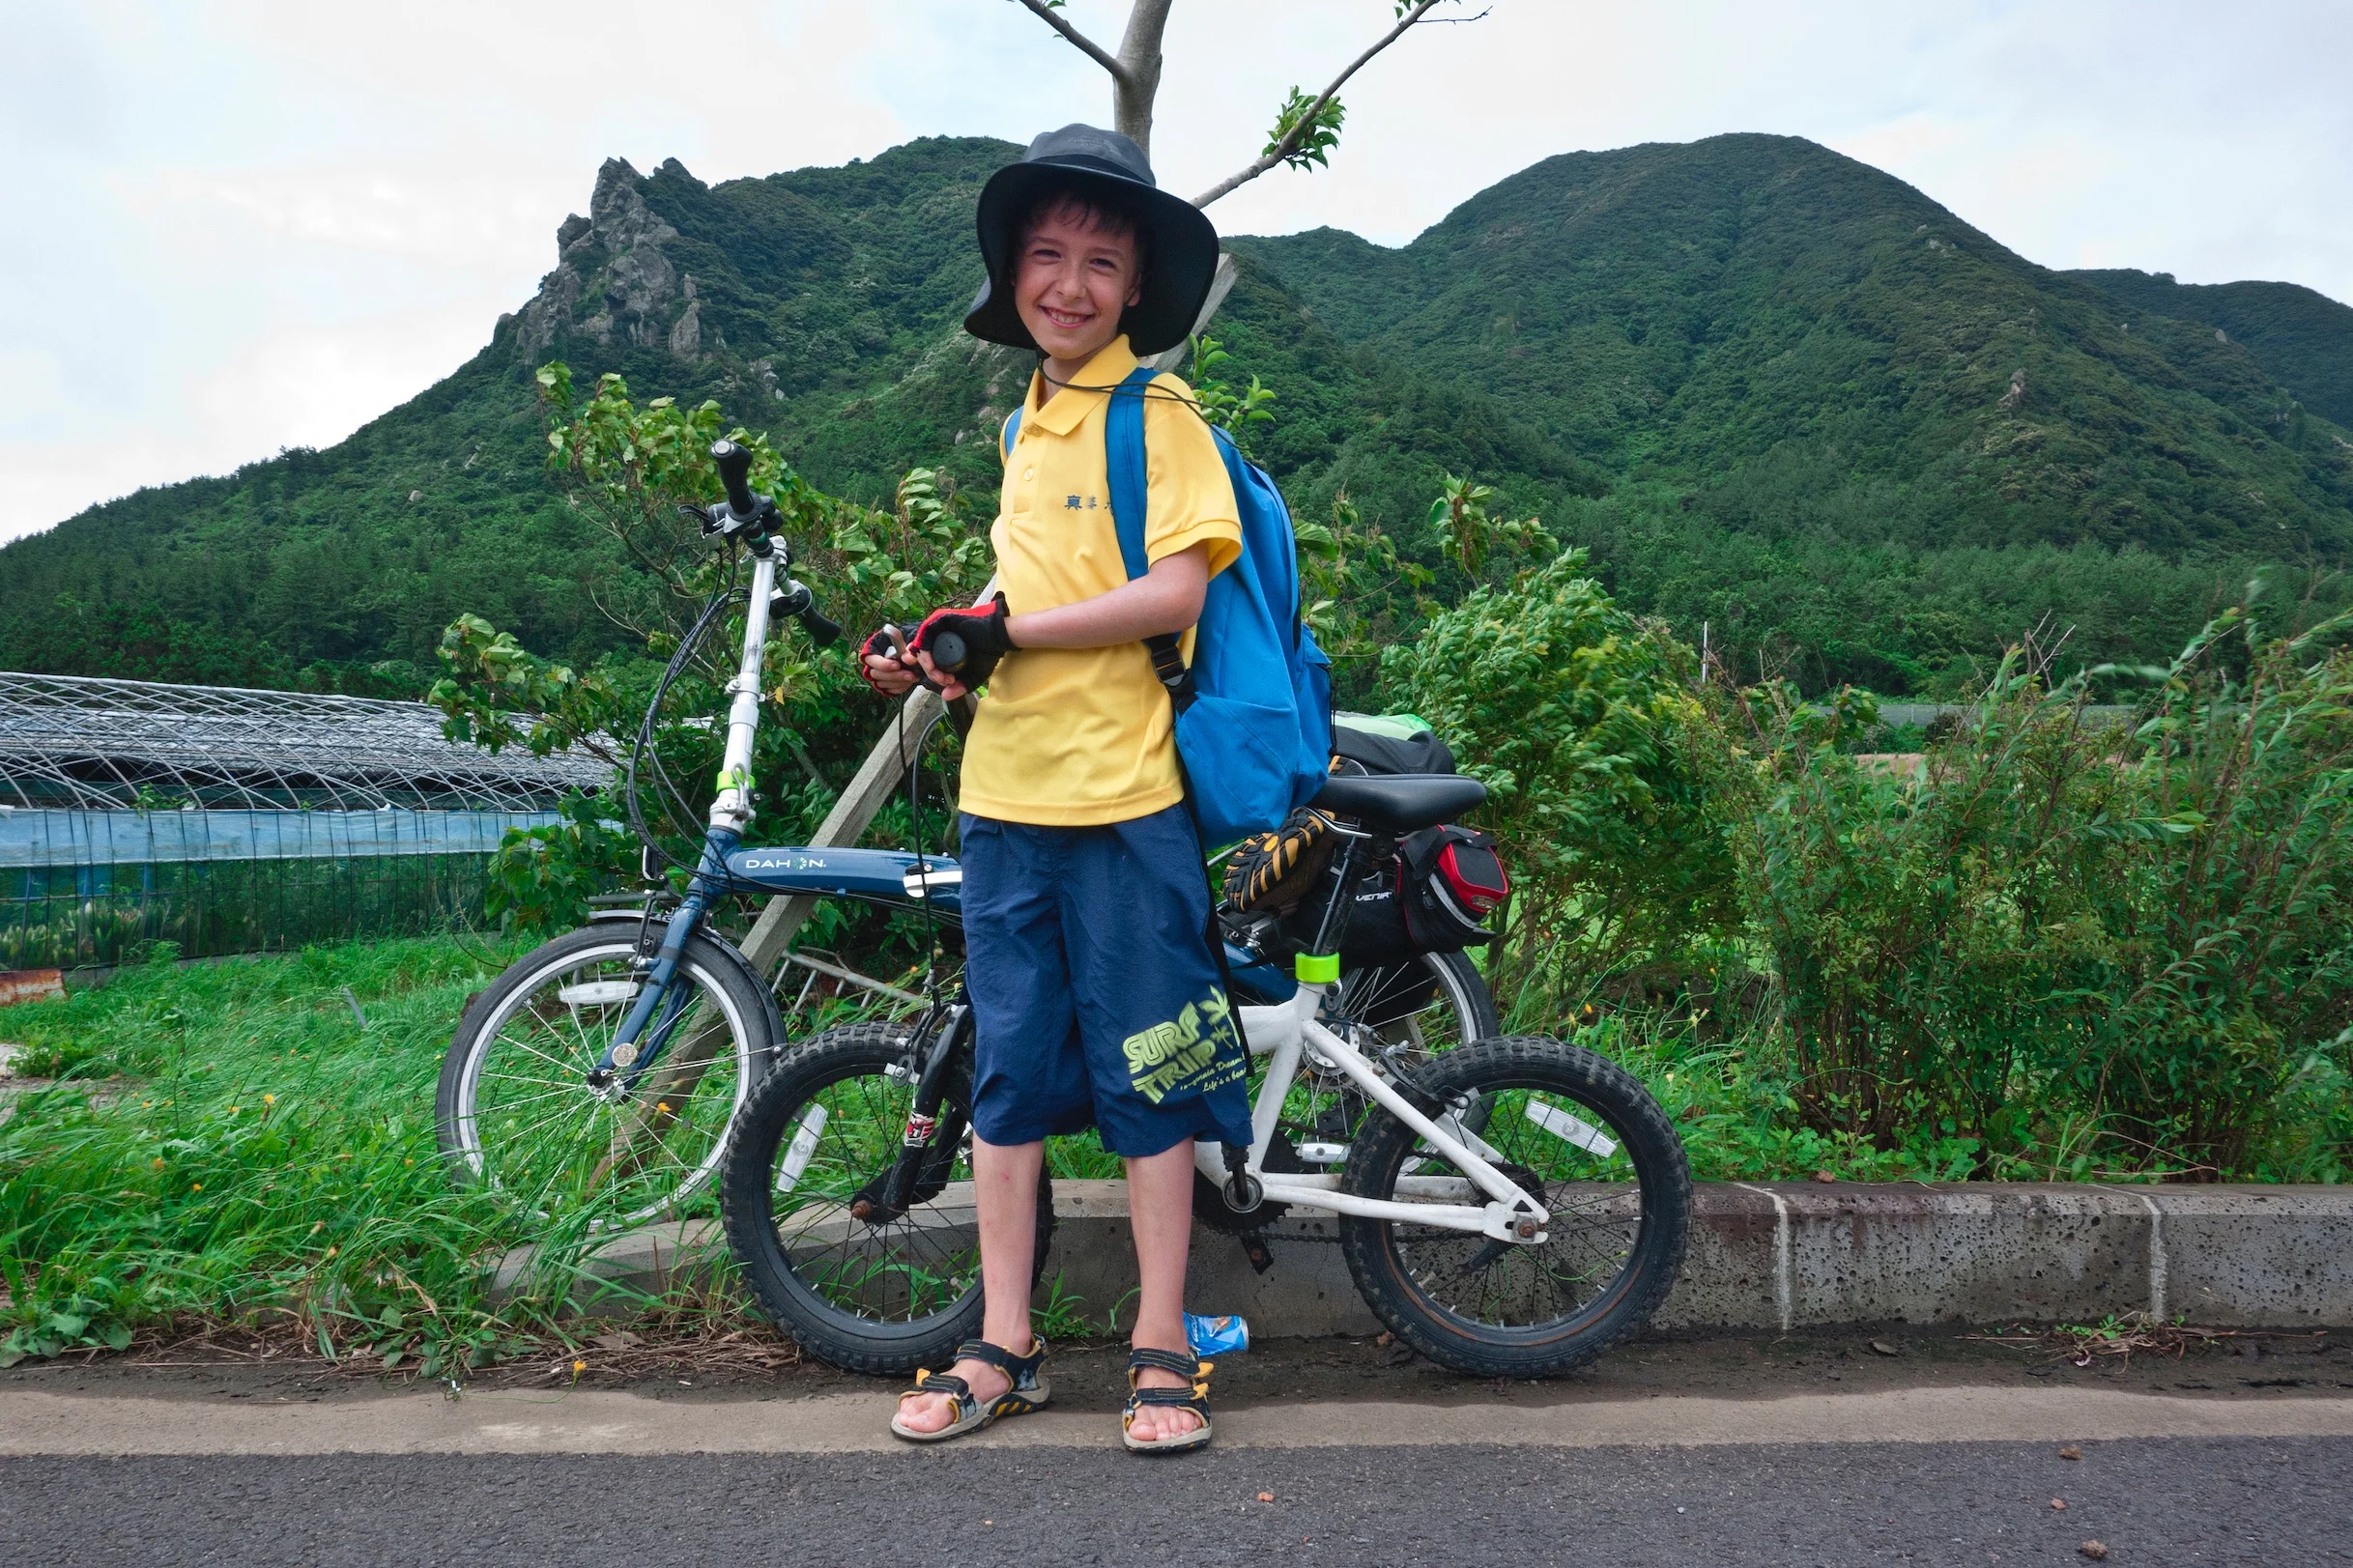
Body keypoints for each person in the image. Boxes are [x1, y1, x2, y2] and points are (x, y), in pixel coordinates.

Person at [860, 124, 1248, 1454]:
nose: (1069, 283)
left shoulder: (1158, 414)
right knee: (1010, 1077)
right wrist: (949, 642)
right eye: (1046, 255)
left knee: (1152, 1077)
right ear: (1010, 271)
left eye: (1098, 260)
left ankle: (1160, 1344)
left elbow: (1173, 591)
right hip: (1005, 795)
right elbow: (1025, 596)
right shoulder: (1027, 420)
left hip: (1126, 800)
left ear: (1136, 284)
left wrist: (1012, 633)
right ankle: (1003, 1343)